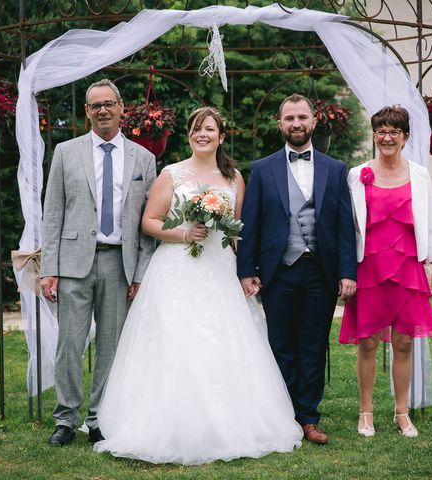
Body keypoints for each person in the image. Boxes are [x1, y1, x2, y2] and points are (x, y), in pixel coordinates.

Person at [93, 107, 303, 465]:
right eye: (195, 129)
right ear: (189, 136)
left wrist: (246, 271)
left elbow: (238, 230)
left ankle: (226, 423)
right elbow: (149, 221)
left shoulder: (234, 177)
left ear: (221, 136)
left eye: (209, 129)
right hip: (176, 269)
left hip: (219, 269)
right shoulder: (171, 173)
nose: (201, 134)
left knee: (224, 342)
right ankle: (170, 424)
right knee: (177, 341)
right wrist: (184, 233)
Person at [40, 79, 156, 446]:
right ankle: (66, 419)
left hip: (119, 264)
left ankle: (99, 418)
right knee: (69, 344)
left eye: (109, 104)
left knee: (112, 346)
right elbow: (53, 213)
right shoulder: (65, 152)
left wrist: (140, 273)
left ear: (122, 107)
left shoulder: (144, 159)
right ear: (86, 111)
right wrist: (49, 269)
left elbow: (148, 225)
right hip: (74, 263)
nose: (102, 110)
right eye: (95, 106)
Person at [237, 93, 357, 445]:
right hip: (279, 270)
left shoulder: (336, 169)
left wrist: (347, 272)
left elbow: (344, 227)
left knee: (314, 345)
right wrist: (246, 270)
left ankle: (308, 417)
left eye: (302, 117)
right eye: (289, 118)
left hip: (321, 271)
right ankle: (282, 415)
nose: (296, 124)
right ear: (280, 123)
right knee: (280, 344)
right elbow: (251, 223)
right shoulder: (261, 168)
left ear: (314, 121)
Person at [339, 105, 432, 438]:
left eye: (394, 132)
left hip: (408, 267)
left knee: (403, 343)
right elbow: (347, 227)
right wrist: (346, 272)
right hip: (368, 267)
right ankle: (366, 412)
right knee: (368, 343)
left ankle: (402, 413)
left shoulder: (419, 174)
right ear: (374, 135)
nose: (387, 137)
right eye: (381, 131)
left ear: (405, 138)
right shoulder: (357, 175)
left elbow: (430, 222)